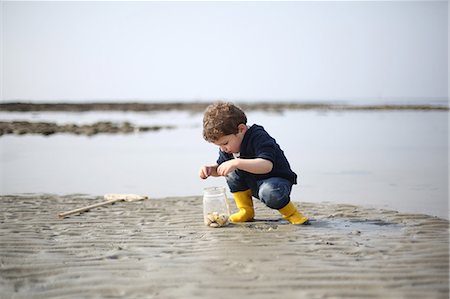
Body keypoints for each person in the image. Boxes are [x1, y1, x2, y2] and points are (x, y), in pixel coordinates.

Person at [198, 101, 309, 225]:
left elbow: (266, 165)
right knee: (230, 171)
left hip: (275, 182)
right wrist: (210, 170)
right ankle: (246, 211)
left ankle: (292, 214)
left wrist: (237, 163)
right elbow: (221, 168)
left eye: (225, 143)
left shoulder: (258, 137)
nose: (224, 149)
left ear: (241, 129)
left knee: (268, 192)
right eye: (219, 146)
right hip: (252, 182)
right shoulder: (229, 148)